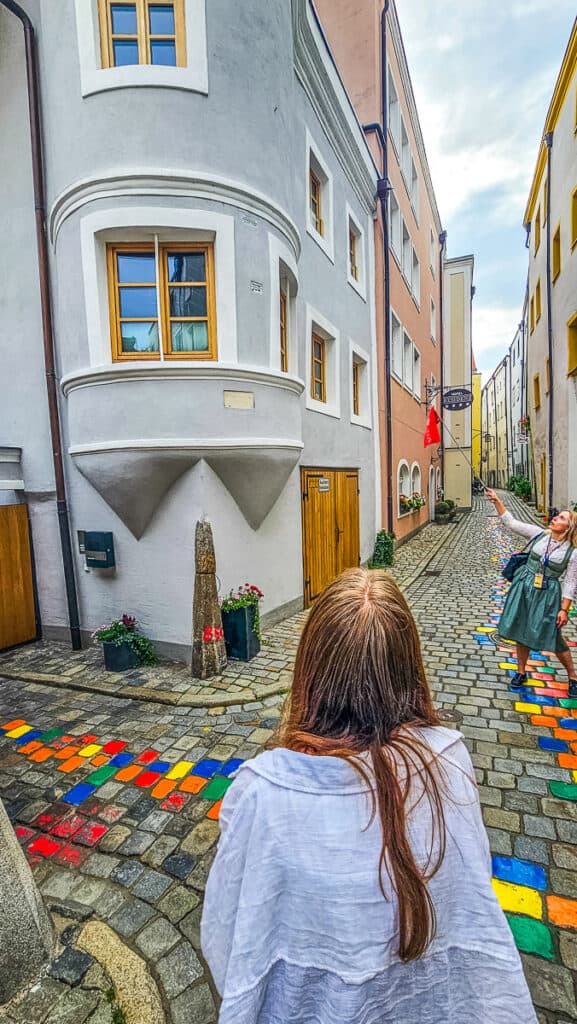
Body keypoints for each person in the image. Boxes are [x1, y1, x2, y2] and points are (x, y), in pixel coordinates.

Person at [201, 568, 536, 1024]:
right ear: (409, 666)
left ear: (311, 670)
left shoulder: (262, 793)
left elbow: (227, 939)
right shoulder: (449, 764)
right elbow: (469, 887)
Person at [485, 489, 577, 696]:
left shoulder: (572, 552)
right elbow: (512, 523)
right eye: (557, 515)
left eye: (561, 518)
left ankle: (572, 676)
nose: (554, 518)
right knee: (520, 629)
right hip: (524, 586)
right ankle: (521, 672)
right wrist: (497, 501)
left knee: (553, 636)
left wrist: (564, 610)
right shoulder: (540, 534)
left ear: (569, 527)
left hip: (547, 594)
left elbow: (571, 582)